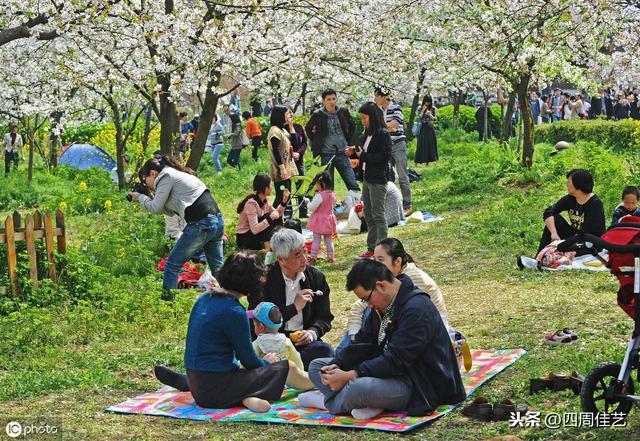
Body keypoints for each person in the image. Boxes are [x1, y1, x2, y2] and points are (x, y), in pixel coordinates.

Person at [153, 252, 314, 413]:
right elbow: (249, 360)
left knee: (241, 370)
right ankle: (317, 383)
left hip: (199, 381)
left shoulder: (204, 299)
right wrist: (268, 364)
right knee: (286, 367)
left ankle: (192, 384)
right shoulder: (234, 311)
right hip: (218, 386)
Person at [304, 259, 465, 419]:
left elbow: (395, 360)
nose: (368, 305)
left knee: (357, 388)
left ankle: (328, 403)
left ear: (380, 286)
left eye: (366, 299)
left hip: (419, 383)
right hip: (385, 372)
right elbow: (362, 343)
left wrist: (348, 375)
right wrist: (338, 364)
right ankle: (369, 403)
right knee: (317, 367)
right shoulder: (383, 305)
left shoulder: (417, 309)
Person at [129, 155, 224, 297]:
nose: (146, 184)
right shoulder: (175, 175)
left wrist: (140, 197)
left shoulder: (165, 176)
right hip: (216, 220)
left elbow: (155, 208)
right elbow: (168, 211)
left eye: (145, 180)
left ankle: (167, 306)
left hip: (201, 223)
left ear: (153, 173)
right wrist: (147, 198)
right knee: (217, 268)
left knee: (172, 264)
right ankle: (232, 300)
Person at [251, 228, 335, 370]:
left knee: (325, 351)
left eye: (305, 251)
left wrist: (311, 333)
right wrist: (294, 307)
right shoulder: (263, 280)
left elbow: (324, 317)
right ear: (281, 259)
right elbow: (257, 320)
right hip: (272, 343)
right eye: (297, 255)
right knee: (266, 361)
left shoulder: (315, 277)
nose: (304, 258)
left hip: (304, 343)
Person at [517, 169, 606, 268]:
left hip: (590, 242)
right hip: (575, 237)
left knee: (560, 249)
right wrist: (554, 233)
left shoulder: (595, 203)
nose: (566, 184)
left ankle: (548, 259)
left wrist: (561, 245)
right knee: (554, 218)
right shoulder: (570, 199)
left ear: (578, 184)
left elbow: (585, 232)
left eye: (569, 182)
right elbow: (549, 211)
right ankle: (539, 257)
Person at [346, 102, 392, 258]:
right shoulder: (367, 134)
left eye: (365, 118)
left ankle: (383, 250)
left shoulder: (382, 134)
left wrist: (363, 156)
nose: (363, 121)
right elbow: (362, 151)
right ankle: (372, 247)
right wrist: (353, 151)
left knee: (378, 215)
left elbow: (383, 157)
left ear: (373, 117)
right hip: (367, 177)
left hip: (378, 179)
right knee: (369, 214)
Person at [305, 89, 360, 194]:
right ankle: (329, 208)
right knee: (327, 186)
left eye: (334, 99)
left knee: (352, 183)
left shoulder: (343, 111)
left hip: (342, 153)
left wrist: (349, 141)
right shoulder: (318, 114)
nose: (332, 102)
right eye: (329, 99)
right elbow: (308, 128)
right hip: (326, 154)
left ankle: (358, 207)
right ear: (323, 101)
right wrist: (317, 141)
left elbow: (353, 125)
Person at [374, 87, 411, 216]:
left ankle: (407, 204)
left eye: (377, 96)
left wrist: (382, 127)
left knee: (402, 175)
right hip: (385, 146)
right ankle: (392, 204)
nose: (375, 99)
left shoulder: (396, 108)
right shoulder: (377, 111)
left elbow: (395, 126)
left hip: (398, 144)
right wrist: (386, 126)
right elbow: (383, 127)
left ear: (384, 96)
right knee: (387, 176)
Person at [236, 173, 289, 251]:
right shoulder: (251, 204)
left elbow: (278, 214)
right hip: (245, 238)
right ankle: (268, 251)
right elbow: (254, 229)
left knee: (274, 219)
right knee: (268, 217)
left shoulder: (264, 200)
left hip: (254, 235)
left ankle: (276, 246)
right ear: (265, 188)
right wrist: (271, 217)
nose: (271, 188)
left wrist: (284, 200)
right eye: (270, 186)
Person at [249, 301, 307, 372]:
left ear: (261, 327)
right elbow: (297, 359)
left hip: (267, 379)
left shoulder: (257, 344)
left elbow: (248, 363)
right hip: (285, 379)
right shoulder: (286, 341)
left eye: (255, 325)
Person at [267, 106, 299, 220]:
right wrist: (282, 168)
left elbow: (295, 145)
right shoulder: (274, 130)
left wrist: (291, 126)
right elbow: (275, 150)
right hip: (280, 169)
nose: (289, 115)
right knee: (281, 196)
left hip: (288, 167)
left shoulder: (283, 129)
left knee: (287, 194)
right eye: (287, 113)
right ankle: (275, 217)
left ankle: (286, 218)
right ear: (280, 115)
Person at [305, 171, 337, 265]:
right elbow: (333, 205)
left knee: (316, 239)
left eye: (317, 183)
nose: (316, 185)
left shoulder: (319, 195)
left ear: (321, 184)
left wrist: (308, 203)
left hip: (319, 221)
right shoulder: (332, 194)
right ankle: (330, 257)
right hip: (328, 220)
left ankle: (313, 257)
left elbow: (311, 208)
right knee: (328, 240)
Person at [287, 105, 309, 218]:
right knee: (287, 188)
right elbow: (292, 143)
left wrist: (299, 153)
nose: (290, 115)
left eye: (291, 112)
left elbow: (304, 142)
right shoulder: (281, 129)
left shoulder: (299, 127)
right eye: (287, 113)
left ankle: (303, 211)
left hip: (299, 161)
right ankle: (288, 213)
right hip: (287, 163)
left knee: (301, 186)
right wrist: (290, 127)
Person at [415, 95, 438, 165]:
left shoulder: (433, 108)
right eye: (426, 101)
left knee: (430, 143)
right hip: (422, 127)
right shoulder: (420, 108)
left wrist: (430, 115)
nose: (427, 103)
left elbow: (435, 119)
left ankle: (428, 161)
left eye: (429, 102)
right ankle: (418, 160)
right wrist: (423, 110)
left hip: (430, 127)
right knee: (421, 143)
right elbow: (419, 117)